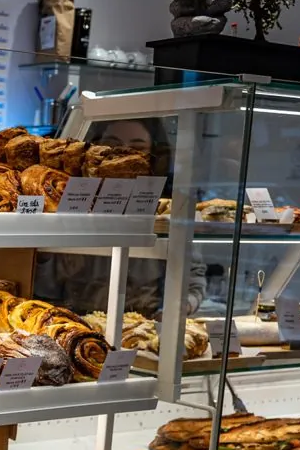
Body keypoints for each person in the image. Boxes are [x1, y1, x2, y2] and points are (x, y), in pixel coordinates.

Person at [33, 117, 206, 317]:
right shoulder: (70, 202)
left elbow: (192, 282)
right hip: (75, 320)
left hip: (143, 324)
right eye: (112, 145)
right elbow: (43, 285)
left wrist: (176, 311)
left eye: (138, 147)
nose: (124, 155)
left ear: (154, 154)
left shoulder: (169, 210)